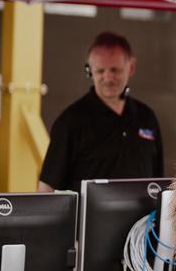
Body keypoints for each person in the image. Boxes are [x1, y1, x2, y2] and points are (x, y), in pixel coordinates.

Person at [38, 31, 164, 193]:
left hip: (144, 219)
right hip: (88, 219)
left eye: (115, 70)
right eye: (100, 71)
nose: (108, 77)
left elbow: (159, 181)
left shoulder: (147, 117)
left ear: (130, 68)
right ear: (89, 71)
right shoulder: (70, 122)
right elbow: (46, 189)